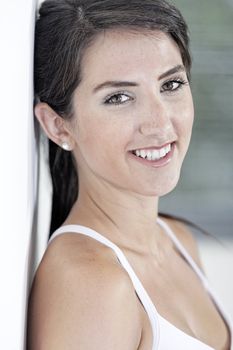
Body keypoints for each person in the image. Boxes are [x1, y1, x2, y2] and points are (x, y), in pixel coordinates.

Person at [27, 0, 232, 349]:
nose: (160, 123)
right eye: (119, 97)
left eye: (170, 85)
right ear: (58, 126)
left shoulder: (176, 240)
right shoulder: (91, 284)